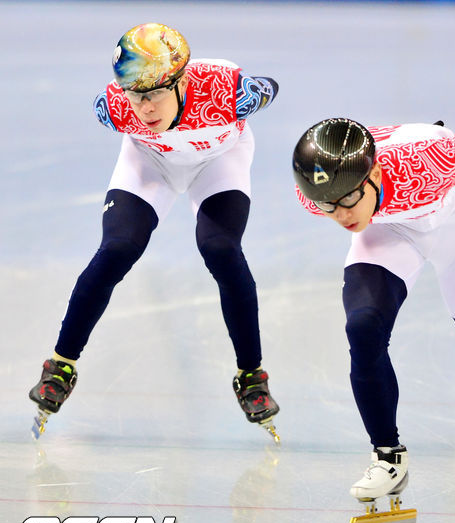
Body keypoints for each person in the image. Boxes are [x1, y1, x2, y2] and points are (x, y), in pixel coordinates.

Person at [29, 23, 280, 438]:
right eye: (135, 94)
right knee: (117, 249)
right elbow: (130, 108)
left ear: (181, 80)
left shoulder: (229, 91)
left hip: (217, 160)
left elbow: (271, 86)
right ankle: (60, 364)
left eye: (156, 93)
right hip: (151, 161)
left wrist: (256, 89)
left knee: (220, 249)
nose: (145, 108)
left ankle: (251, 374)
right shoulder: (112, 107)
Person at [292, 117, 455, 505]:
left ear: (374, 175)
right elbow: (340, 189)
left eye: (347, 199)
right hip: (389, 228)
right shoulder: (319, 190)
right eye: (329, 205)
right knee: (363, 328)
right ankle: (387, 455)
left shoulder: (430, 166)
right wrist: (342, 197)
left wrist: (442, 145)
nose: (341, 214)